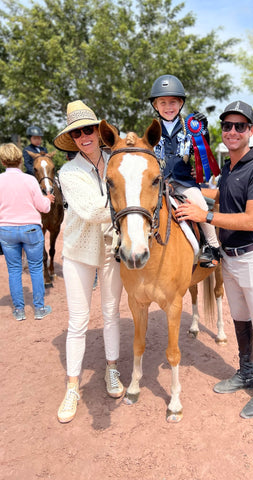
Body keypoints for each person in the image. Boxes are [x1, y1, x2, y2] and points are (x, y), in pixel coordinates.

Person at [175, 100, 253, 419]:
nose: (233, 131)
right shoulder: (231, 168)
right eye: (228, 126)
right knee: (240, 319)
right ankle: (246, 372)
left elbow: (249, 220)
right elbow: (224, 197)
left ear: (251, 130)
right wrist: (185, 190)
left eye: (240, 126)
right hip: (230, 258)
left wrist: (204, 213)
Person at [53, 100, 123, 423]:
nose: (84, 136)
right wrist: (126, 199)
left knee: (111, 314)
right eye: (77, 133)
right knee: (78, 322)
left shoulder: (116, 161)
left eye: (89, 129)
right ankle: (72, 387)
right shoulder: (68, 172)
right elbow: (94, 210)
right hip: (79, 252)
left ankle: (111, 370)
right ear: (73, 138)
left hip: (111, 249)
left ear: (98, 131)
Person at [149, 74, 221, 268]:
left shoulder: (191, 128)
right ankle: (123, 244)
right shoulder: (151, 131)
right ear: (155, 105)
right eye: (162, 102)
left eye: (173, 102)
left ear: (181, 103)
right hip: (158, 183)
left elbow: (201, 154)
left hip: (183, 183)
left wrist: (203, 131)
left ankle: (212, 247)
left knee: (200, 204)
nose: (168, 106)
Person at [0, 143, 53, 321]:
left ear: (2, 161)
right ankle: (39, 309)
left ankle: (20, 311)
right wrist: (48, 199)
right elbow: (43, 208)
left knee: (14, 270)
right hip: (31, 229)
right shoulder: (30, 180)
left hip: (6, 230)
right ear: (21, 160)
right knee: (36, 268)